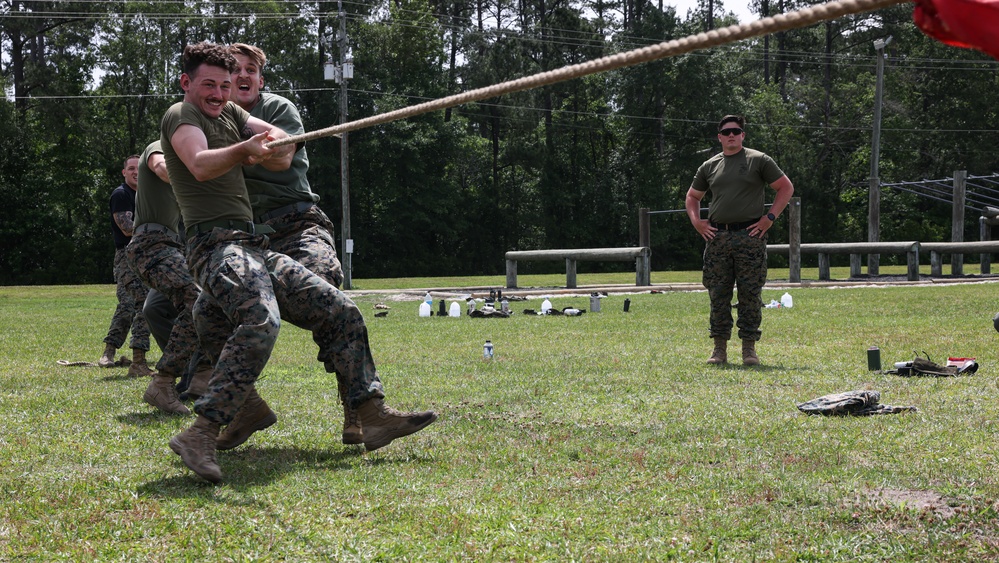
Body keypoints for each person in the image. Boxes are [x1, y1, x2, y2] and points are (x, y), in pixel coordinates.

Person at [162, 42, 437, 483]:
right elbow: (198, 163)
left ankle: (371, 413)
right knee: (259, 319)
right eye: (209, 84)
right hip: (214, 244)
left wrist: (263, 141)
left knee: (339, 308)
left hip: (254, 243)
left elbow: (275, 140)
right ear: (187, 84)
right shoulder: (182, 115)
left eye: (226, 84)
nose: (219, 91)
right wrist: (244, 150)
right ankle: (202, 431)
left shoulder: (231, 115)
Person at [225, 43, 358, 445]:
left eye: (252, 70)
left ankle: (357, 407)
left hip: (297, 223)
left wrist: (233, 148)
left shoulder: (278, 108)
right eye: (236, 70)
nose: (245, 76)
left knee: (323, 286)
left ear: (260, 81)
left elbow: (281, 157)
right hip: (245, 236)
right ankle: (244, 408)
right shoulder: (204, 120)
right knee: (206, 307)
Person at [684, 115, 794, 366]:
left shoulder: (759, 160)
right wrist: (696, 221)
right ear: (720, 137)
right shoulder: (709, 166)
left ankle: (749, 349)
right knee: (718, 294)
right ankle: (719, 349)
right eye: (727, 132)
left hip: (750, 237)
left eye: (736, 131)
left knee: (750, 294)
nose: (731, 135)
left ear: (743, 135)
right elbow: (692, 196)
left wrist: (770, 217)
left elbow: (785, 187)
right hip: (718, 237)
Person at [124, 140, 212, 414]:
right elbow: (162, 169)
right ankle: (172, 379)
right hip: (151, 244)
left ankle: (193, 379)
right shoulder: (158, 148)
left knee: (156, 309)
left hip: (172, 247)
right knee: (196, 298)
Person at [98, 155, 153, 378]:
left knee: (130, 304)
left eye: (139, 168)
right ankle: (136, 360)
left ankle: (109, 352)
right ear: (124, 172)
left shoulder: (148, 194)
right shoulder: (122, 194)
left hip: (147, 256)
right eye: (131, 169)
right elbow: (127, 228)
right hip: (127, 257)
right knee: (140, 303)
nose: (136, 172)